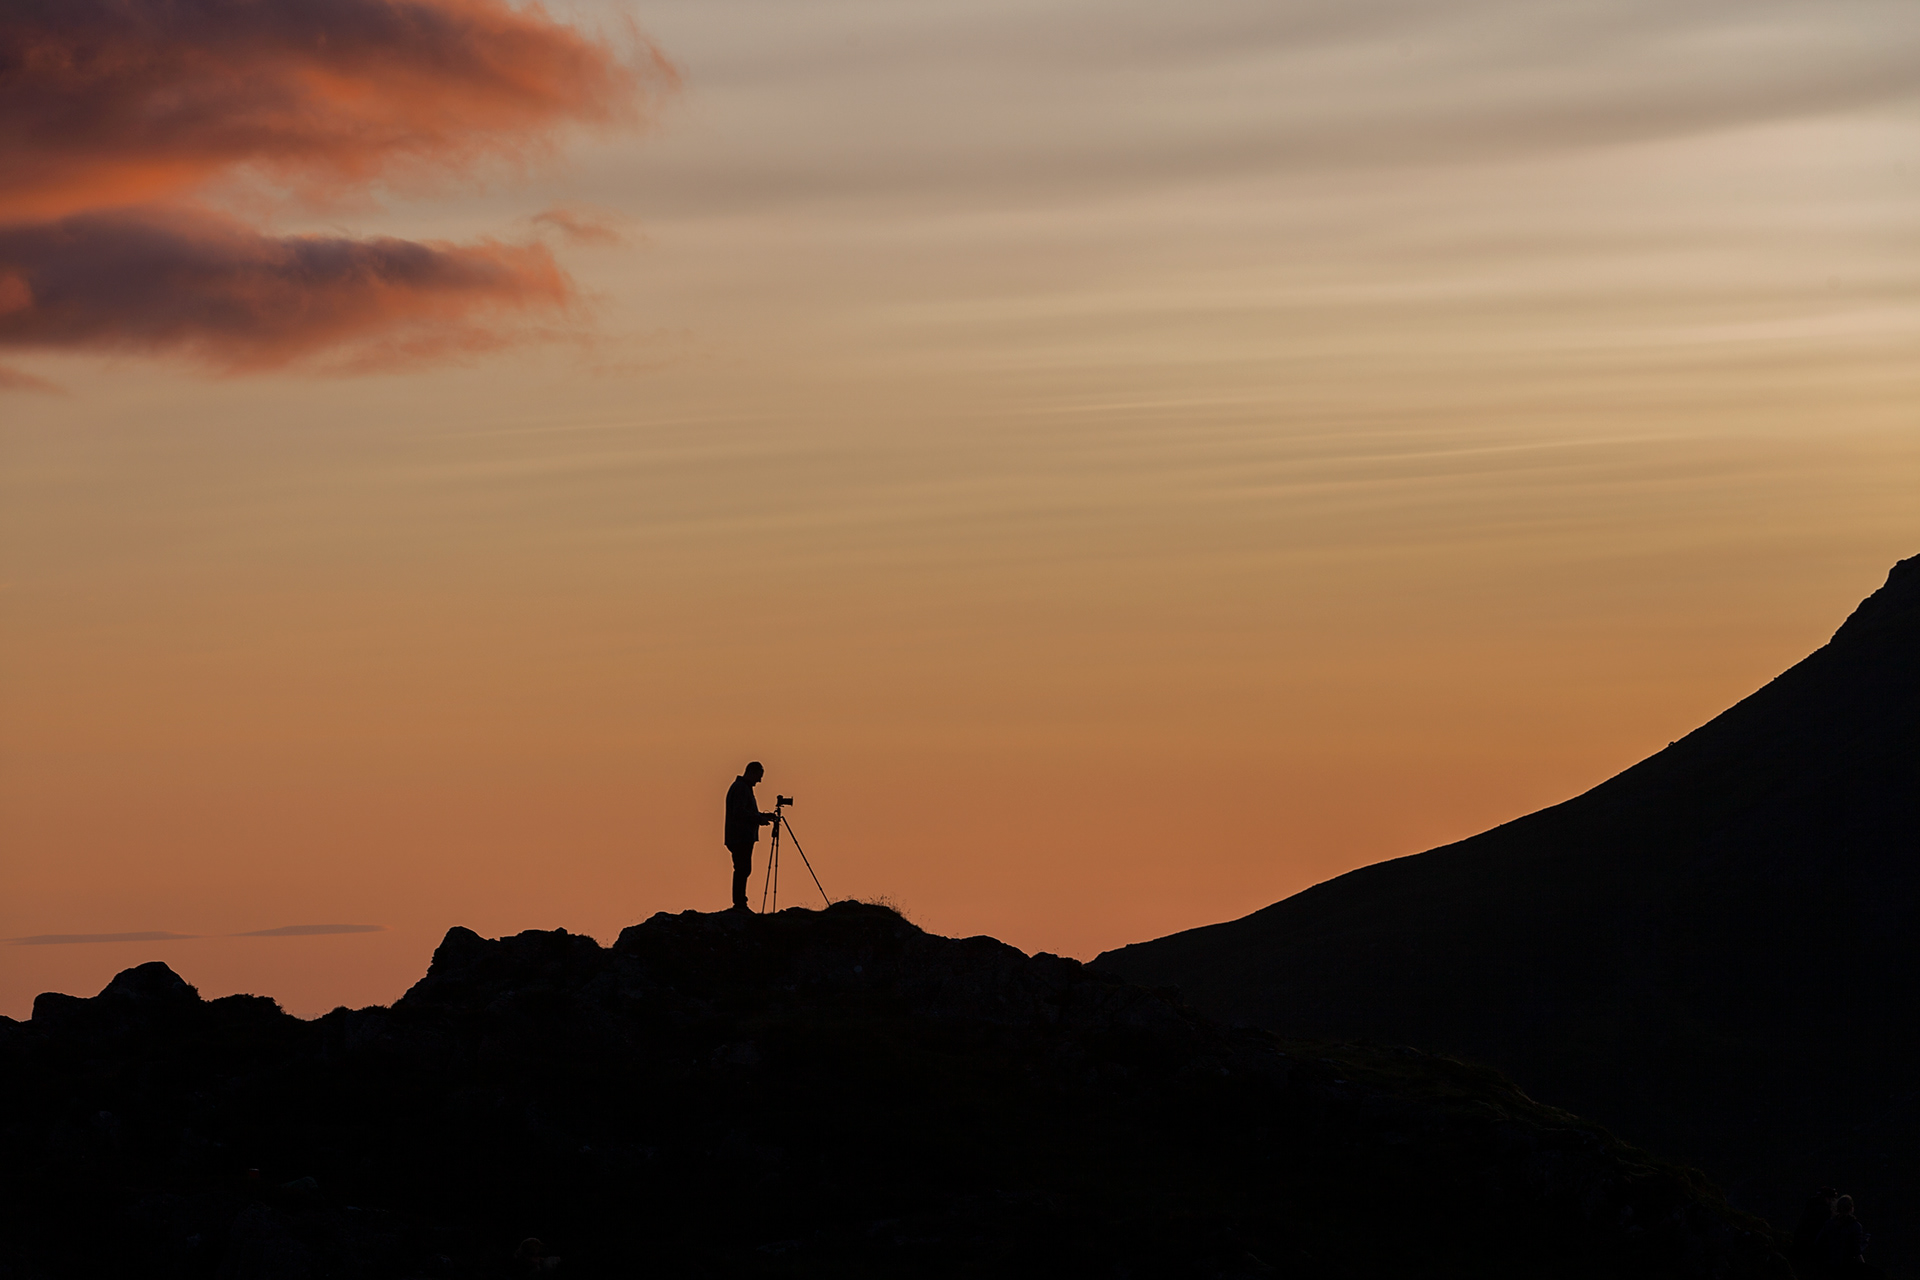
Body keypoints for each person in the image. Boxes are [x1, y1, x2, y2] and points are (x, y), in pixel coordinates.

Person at [724, 761, 778, 911]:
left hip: (741, 836)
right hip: (740, 836)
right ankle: (740, 903)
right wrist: (758, 819)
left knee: (744, 868)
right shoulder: (741, 789)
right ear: (752, 773)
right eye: (759, 777)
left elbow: (744, 811)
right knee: (742, 869)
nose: (759, 781)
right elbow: (739, 812)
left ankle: (741, 902)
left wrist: (762, 816)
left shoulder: (743, 788)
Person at [1815, 1195, 1881, 1277]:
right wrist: (1865, 1242)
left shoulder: (1829, 1223)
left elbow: (1818, 1242)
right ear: (1851, 1208)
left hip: (1828, 1265)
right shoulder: (1855, 1226)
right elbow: (1856, 1251)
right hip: (1846, 1267)